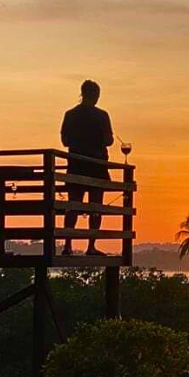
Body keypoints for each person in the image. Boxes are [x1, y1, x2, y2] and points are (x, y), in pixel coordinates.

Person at [60, 80, 114, 256]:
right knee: (95, 207)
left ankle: (67, 245)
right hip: (96, 166)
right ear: (96, 95)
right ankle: (91, 246)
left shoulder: (70, 114)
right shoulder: (102, 116)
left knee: (73, 206)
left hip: (76, 165)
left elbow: (65, 140)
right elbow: (109, 140)